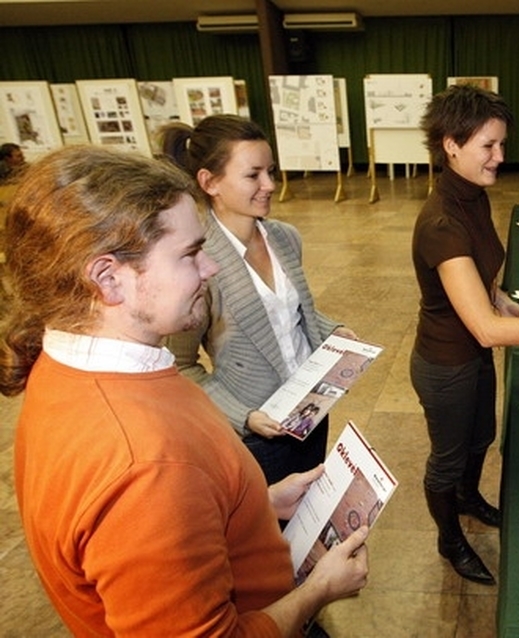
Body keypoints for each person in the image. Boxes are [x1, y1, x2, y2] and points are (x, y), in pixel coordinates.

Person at [2, 146, 369, 635]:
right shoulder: (146, 467)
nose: (211, 268)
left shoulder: (73, 366)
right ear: (109, 279)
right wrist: (318, 589)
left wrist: (258, 501)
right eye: (191, 253)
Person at [411, 85, 519, 585]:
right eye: (488, 145)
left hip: (470, 357)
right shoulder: (442, 221)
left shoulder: (473, 198)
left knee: (481, 438)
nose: (499, 157)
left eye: (501, 144)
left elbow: (485, 285)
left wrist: (500, 297)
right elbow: (487, 331)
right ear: (451, 144)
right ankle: (450, 541)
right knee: (446, 460)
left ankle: (469, 499)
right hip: (446, 364)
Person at [161, 115, 356, 485]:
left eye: (271, 171)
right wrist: (243, 415)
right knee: (268, 533)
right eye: (253, 175)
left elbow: (289, 313)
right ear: (209, 182)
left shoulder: (285, 237)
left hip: (311, 412)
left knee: (306, 516)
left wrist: (334, 331)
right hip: (257, 435)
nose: (269, 185)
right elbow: (180, 366)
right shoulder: (200, 265)